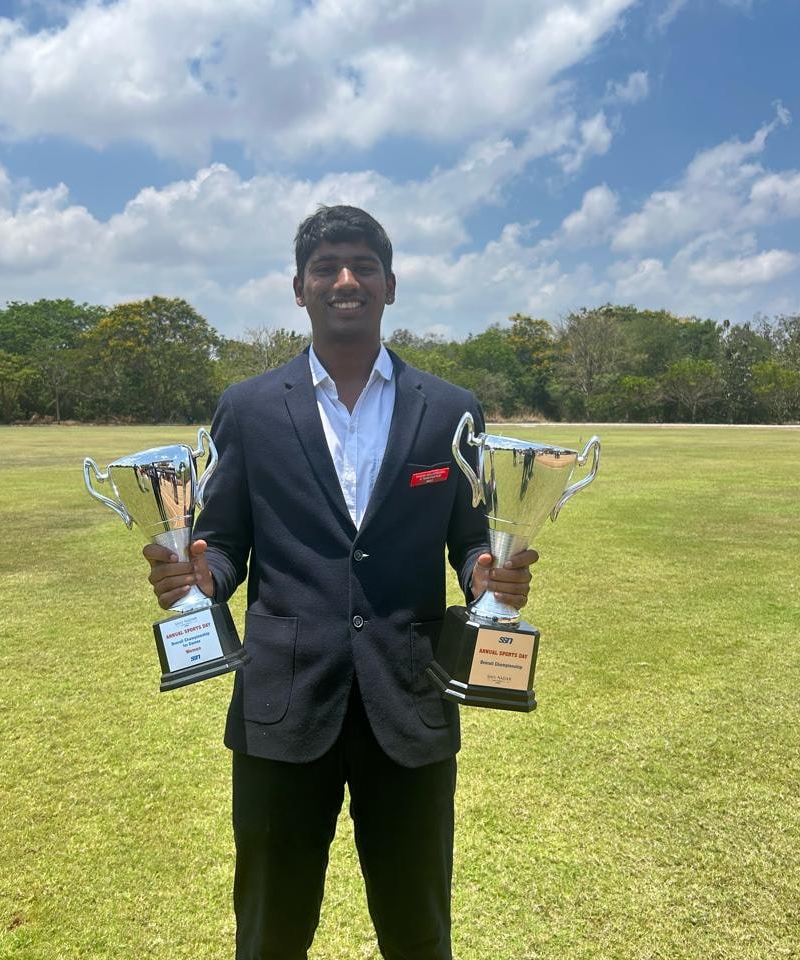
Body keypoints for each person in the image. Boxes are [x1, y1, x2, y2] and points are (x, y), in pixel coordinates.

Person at [144, 205, 536, 960]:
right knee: (270, 930)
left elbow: (467, 541)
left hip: (409, 704)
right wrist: (201, 576)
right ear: (299, 288)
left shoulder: (451, 411)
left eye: (362, 265)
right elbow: (223, 544)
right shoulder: (250, 408)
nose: (345, 280)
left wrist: (486, 578)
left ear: (391, 285)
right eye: (326, 267)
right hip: (281, 709)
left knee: (419, 932)